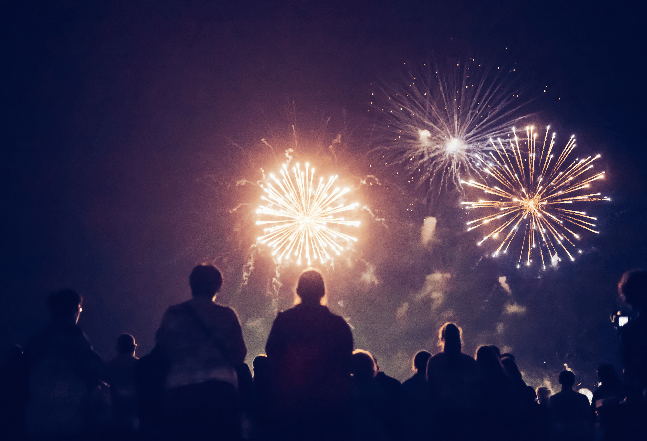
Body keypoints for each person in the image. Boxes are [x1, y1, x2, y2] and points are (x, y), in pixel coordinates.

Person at [155, 264, 247, 441]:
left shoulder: (174, 313)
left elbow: (162, 349)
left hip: (181, 389)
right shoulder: (227, 315)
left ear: (191, 284)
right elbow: (240, 353)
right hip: (221, 390)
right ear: (218, 286)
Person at [265, 268, 354, 441]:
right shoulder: (338, 324)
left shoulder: (284, 321)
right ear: (322, 292)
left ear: (298, 290)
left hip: (291, 403)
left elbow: (273, 355)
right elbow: (346, 363)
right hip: (328, 405)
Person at [23, 289, 104, 441]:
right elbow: (93, 369)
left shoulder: (37, 338)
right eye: (79, 308)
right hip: (69, 420)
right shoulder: (76, 337)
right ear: (74, 309)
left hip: (37, 420)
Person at [426, 322, 478, 441]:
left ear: (442, 338)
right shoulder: (469, 362)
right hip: (465, 415)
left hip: (443, 414)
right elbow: (476, 390)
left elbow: (431, 391)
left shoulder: (434, 361)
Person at [101, 333, 139, 439]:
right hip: (135, 419)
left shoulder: (108, 366)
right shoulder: (142, 366)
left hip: (114, 418)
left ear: (117, 348)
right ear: (133, 348)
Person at [549, 370, 593, 441]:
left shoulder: (554, 399)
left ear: (559, 381)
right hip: (579, 434)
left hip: (561, 435)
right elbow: (588, 416)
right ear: (573, 382)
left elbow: (552, 418)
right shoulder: (582, 398)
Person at [401, 351, 432, 441]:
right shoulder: (436, 385)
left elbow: (403, 411)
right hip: (432, 428)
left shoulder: (406, 385)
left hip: (412, 429)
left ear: (415, 365)